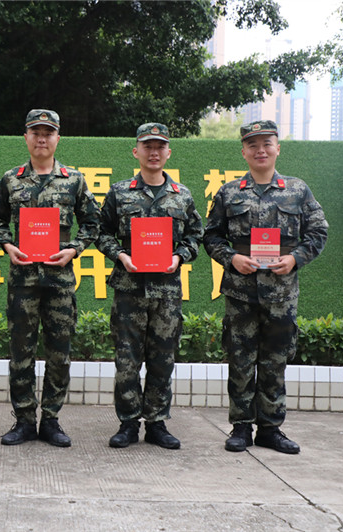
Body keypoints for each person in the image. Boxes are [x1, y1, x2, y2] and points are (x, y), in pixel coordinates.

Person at [204, 120, 328, 454]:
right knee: (240, 358)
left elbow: (318, 232)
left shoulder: (298, 190)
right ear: (243, 151)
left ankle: (271, 429)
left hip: (281, 295)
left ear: (277, 148)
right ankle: (241, 427)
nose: (260, 150)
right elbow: (211, 235)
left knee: (275, 361)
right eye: (253, 144)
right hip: (240, 292)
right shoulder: (229, 192)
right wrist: (231, 259)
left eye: (267, 143)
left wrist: (295, 259)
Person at [0, 109, 100, 447]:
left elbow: (93, 224)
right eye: (36, 132)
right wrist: (8, 245)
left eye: (48, 133)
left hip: (60, 283)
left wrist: (75, 249)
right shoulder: (11, 179)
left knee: (59, 353)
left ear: (57, 138)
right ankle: (24, 420)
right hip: (22, 281)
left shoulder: (74, 180)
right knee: (20, 353)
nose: (42, 138)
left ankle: (51, 420)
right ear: (26, 137)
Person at [96, 123, 203, 450]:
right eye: (147, 146)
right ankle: (128, 423)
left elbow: (196, 236)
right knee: (126, 359)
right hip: (129, 289)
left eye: (160, 147)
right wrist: (121, 255)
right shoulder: (119, 192)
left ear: (168, 152)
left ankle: (157, 423)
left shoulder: (181, 195)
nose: (154, 152)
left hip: (167, 292)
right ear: (136, 152)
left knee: (163, 359)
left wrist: (179, 257)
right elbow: (101, 234)